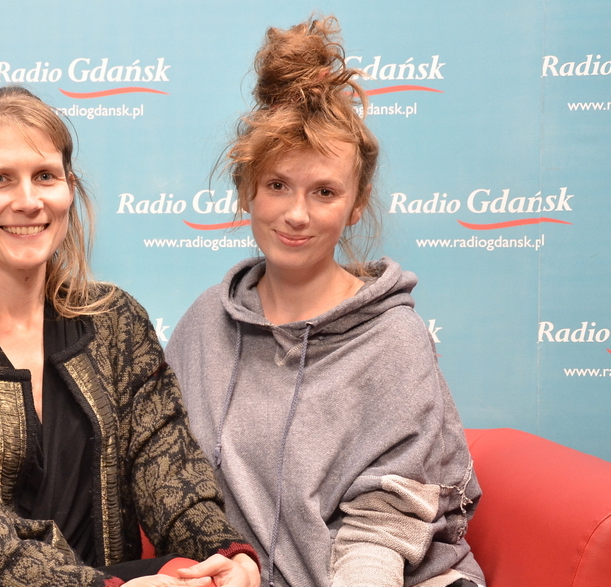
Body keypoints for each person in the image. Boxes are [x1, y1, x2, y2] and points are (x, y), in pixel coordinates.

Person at [0, 85, 261, 587]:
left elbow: (169, 469)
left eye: (45, 177)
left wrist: (223, 554)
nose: (28, 201)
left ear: (68, 189)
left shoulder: (116, 320)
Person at [165, 17, 485, 587]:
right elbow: (171, 477)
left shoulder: (394, 338)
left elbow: (384, 524)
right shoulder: (202, 326)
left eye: (324, 192)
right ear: (247, 190)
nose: (297, 214)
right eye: (278, 185)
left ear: (356, 203)